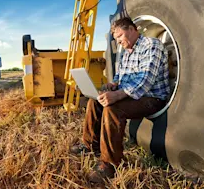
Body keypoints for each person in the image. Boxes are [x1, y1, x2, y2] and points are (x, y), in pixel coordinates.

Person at [70, 17, 170, 183]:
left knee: (112, 108)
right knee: (95, 102)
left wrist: (117, 95)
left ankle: (109, 164)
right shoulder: (126, 51)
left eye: (120, 36)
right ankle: (89, 146)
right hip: (131, 96)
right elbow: (120, 75)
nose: (118, 41)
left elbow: (146, 80)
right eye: (115, 38)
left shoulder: (151, 45)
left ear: (132, 29)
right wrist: (113, 84)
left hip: (151, 97)